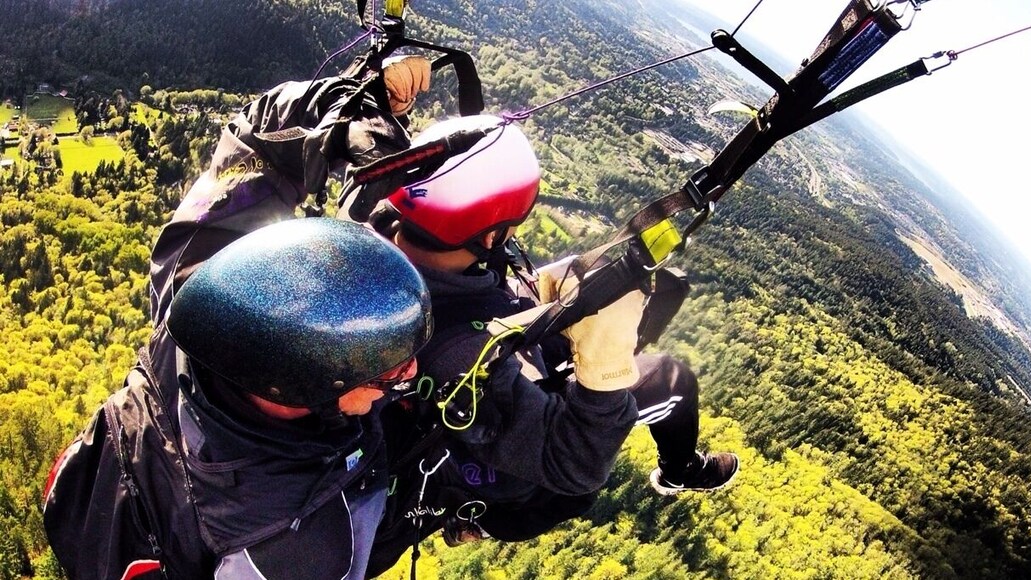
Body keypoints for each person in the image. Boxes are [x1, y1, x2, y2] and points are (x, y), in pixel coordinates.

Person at [42, 62, 435, 579]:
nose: (409, 373)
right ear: (305, 385)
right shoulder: (306, 545)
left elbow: (249, 146)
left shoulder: (197, 294)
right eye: (382, 373)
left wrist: (348, 108)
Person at [342, 114, 738, 577]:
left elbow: (465, 303)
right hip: (484, 468)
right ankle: (680, 470)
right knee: (671, 381)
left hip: (450, 390)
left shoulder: (372, 235)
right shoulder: (459, 360)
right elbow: (576, 466)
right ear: (491, 236)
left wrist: (534, 300)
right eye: (510, 230)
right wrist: (605, 371)